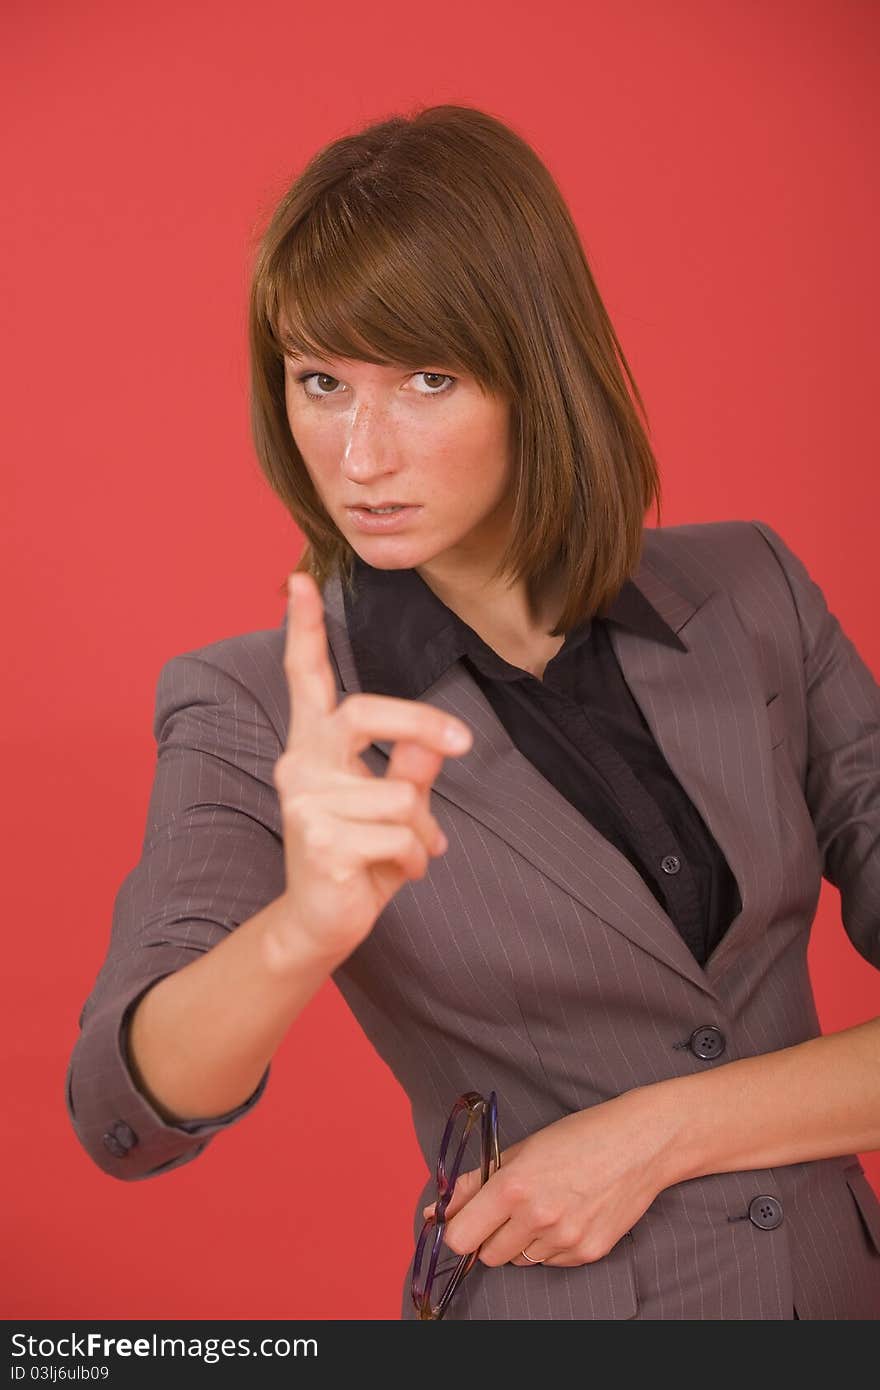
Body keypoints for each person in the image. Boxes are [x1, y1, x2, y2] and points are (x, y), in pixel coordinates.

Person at [65, 103, 880, 1321]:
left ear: (539, 374)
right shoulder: (250, 701)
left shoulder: (752, 592)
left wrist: (657, 1134)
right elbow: (122, 1115)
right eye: (320, 382)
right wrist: (306, 923)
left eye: (427, 381)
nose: (360, 455)